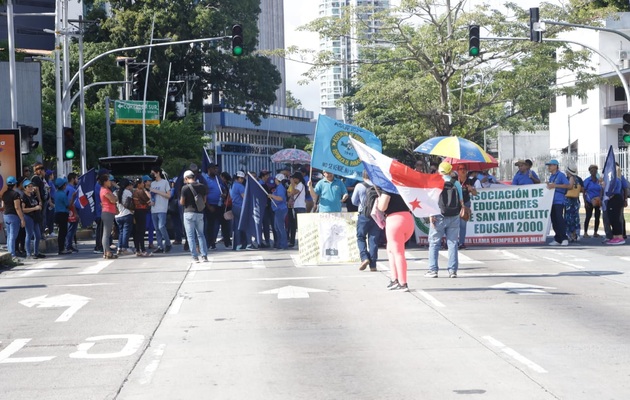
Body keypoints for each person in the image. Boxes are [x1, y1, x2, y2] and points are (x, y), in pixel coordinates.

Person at [425, 162, 463, 279]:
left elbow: (431, 200)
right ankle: (452, 271)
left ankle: (433, 270)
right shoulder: (456, 183)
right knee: (452, 243)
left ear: (439, 171)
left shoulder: (435, 182)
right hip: (454, 216)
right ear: (450, 171)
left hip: (438, 215)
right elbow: (461, 200)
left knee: (434, 243)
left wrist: (430, 215)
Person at [378, 185, 414, 291]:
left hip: (394, 220)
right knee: (391, 250)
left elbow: (382, 207)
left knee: (398, 252)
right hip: (408, 218)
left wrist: (379, 200)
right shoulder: (405, 186)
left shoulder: (388, 187)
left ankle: (402, 282)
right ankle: (395, 279)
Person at [352, 170, 382, 272]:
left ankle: (364, 258)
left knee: (360, 237)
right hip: (377, 215)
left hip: (364, 215)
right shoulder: (379, 186)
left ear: (363, 175)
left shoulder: (359, 186)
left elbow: (354, 201)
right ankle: (373, 265)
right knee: (373, 240)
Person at [180, 169, 209, 262]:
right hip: (200, 213)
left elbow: (182, 202)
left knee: (190, 236)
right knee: (201, 235)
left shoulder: (185, 188)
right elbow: (204, 201)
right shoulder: (202, 186)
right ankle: (204, 255)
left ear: (186, 178)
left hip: (188, 213)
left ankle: (195, 257)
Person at [546, 159, 571, 246]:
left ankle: (564, 238)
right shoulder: (551, 177)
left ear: (556, 166)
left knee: (559, 219)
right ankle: (557, 238)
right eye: (548, 165)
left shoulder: (561, 175)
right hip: (551, 201)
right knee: (554, 220)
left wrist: (555, 185)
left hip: (559, 200)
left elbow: (568, 185)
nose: (549, 167)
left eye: (551, 165)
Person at [456, 165, 480, 249]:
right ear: (457, 171)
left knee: (463, 224)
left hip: (465, 204)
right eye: (460, 169)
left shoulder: (470, 181)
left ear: (466, 171)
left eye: (464, 169)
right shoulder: (455, 180)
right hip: (455, 204)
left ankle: (461, 242)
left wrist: (472, 189)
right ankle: (452, 242)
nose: (462, 171)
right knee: (454, 224)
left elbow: (476, 194)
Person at [149, 166, 172, 253]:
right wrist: (151, 201)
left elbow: (168, 195)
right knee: (157, 229)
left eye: (153, 173)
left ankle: (168, 243)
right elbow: (152, 195)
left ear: (158, 173)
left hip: (162, 208)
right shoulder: (152, 184)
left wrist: (157, 191)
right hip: (154, 208)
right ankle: (160, 246)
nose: (152, 175)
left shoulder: (165, 182)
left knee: (161, 226)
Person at [2, 176, 25, 260]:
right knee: (13, 236)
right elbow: (17, 207)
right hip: (14, 216)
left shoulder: (4, 194)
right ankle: (12, 254)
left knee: (9, 235)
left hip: (6, 215)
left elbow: (3, 206)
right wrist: (22, 219)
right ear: (15, 184)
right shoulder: (15, 194)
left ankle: (9, 253)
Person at [21, 179, 42, 259]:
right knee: (29, 234)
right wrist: (34, 208)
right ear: (25, 188)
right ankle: (28, 253)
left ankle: (36, 252)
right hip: (28, 217)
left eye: (31, 186)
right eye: (28, 187)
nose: (30, 188)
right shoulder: (23, 196)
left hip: (35, 217)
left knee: (38, 235)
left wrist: (38, 206)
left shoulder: (32, 195)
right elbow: (23, 209)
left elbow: (36, 203)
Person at [99, 174, 118, 259]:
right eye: (109, 180)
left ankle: (106, 252)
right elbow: (113, 200)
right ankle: (107, 252)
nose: (110, 182)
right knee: (106, 234)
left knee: (107, 233)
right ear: (105, 182)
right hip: (107, 212)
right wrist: (115, 198)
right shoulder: (104, 190)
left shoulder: (107, 190)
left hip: (109, 212)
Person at [268, 173, 288, 250]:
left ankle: (283, 244)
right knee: (277, 227)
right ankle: (279, 244)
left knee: (280, 228)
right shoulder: (280, 187)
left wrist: (272, 196)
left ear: (278, 180)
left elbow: (280, 198)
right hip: (278, 209)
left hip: (280, 209)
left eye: (275, 179)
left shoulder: (280, 188)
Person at [132, 178, 151, 257]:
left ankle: (137, 250)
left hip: (135, 212)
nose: (143, 184)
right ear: (139, 184)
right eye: (142, 183)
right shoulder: (141, 192)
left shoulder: (134, 192)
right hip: (141, 212)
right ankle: (143, 250)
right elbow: (148, 199)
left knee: (136, 232)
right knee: (141, 232)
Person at [115, 178, 135, 255]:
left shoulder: (115, 192)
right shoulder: (128, 192)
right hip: (127, 214)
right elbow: (130, 204)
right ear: (127, 185)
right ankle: (125, 247)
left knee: (120, 232)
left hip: (117, 215)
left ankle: (119, 247)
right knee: (126, 232)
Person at [230, 170, 249, 250]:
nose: (242, 180)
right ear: (238, 178)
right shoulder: (240, 186)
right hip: (241, 207)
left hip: (234, 207)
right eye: (241, 178)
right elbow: (245, 197)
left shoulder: (233, 185)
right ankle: (248, 243)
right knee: (246, 226)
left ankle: (238, 244)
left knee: (237, 226)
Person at [564, 165, 583, 242]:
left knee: (568, 217)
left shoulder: (567, 179)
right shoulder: (579, 179)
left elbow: (568, 187)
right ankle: (576, 234)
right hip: (576, 200)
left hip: (568, 200)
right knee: (575, 217)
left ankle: (570, 234)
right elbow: (582, 189)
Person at [287, 172, 306, 247]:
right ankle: (292, 241)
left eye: (294, 178)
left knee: (299, 225)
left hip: (300, 207)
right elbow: (289, 193)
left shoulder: (300, 185)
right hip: (295, 207)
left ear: (298, 178)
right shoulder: (296, 185)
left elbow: (293, 192)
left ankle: (301, 241)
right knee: (293, 225)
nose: (293, 180)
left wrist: (292, 184)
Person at [582, 164, 602, 238]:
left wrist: (600, 198)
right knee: (588, 216)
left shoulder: (599, 180)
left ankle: (595, 232)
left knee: (597, 216)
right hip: (589, 201)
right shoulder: (587, 181)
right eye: (592, 170)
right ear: (590, 171)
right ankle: (585, 232)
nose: (594, 171)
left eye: (595, 170)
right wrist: (585, 202)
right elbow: (584, 191)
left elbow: (601, 189)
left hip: (598, 201)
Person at [53, 177, 71, 255]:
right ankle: (61, 249)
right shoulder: (63, 194)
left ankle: (61, 248)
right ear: (63, 186)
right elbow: (67, 205)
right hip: (63, 214)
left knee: (61, 232)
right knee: (63, 232)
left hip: (57, 213)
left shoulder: (56, 193)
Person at [64, 173, 79, 253]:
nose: (77, 180)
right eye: (76, 178)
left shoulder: (68, 188)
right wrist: (75, 213)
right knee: (71, 229)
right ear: (73, 179)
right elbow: (71, 202)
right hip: (72, 210)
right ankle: (68, 245)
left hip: (69, 210)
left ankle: (69, 245)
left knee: (71, 229)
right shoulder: (71, 189)